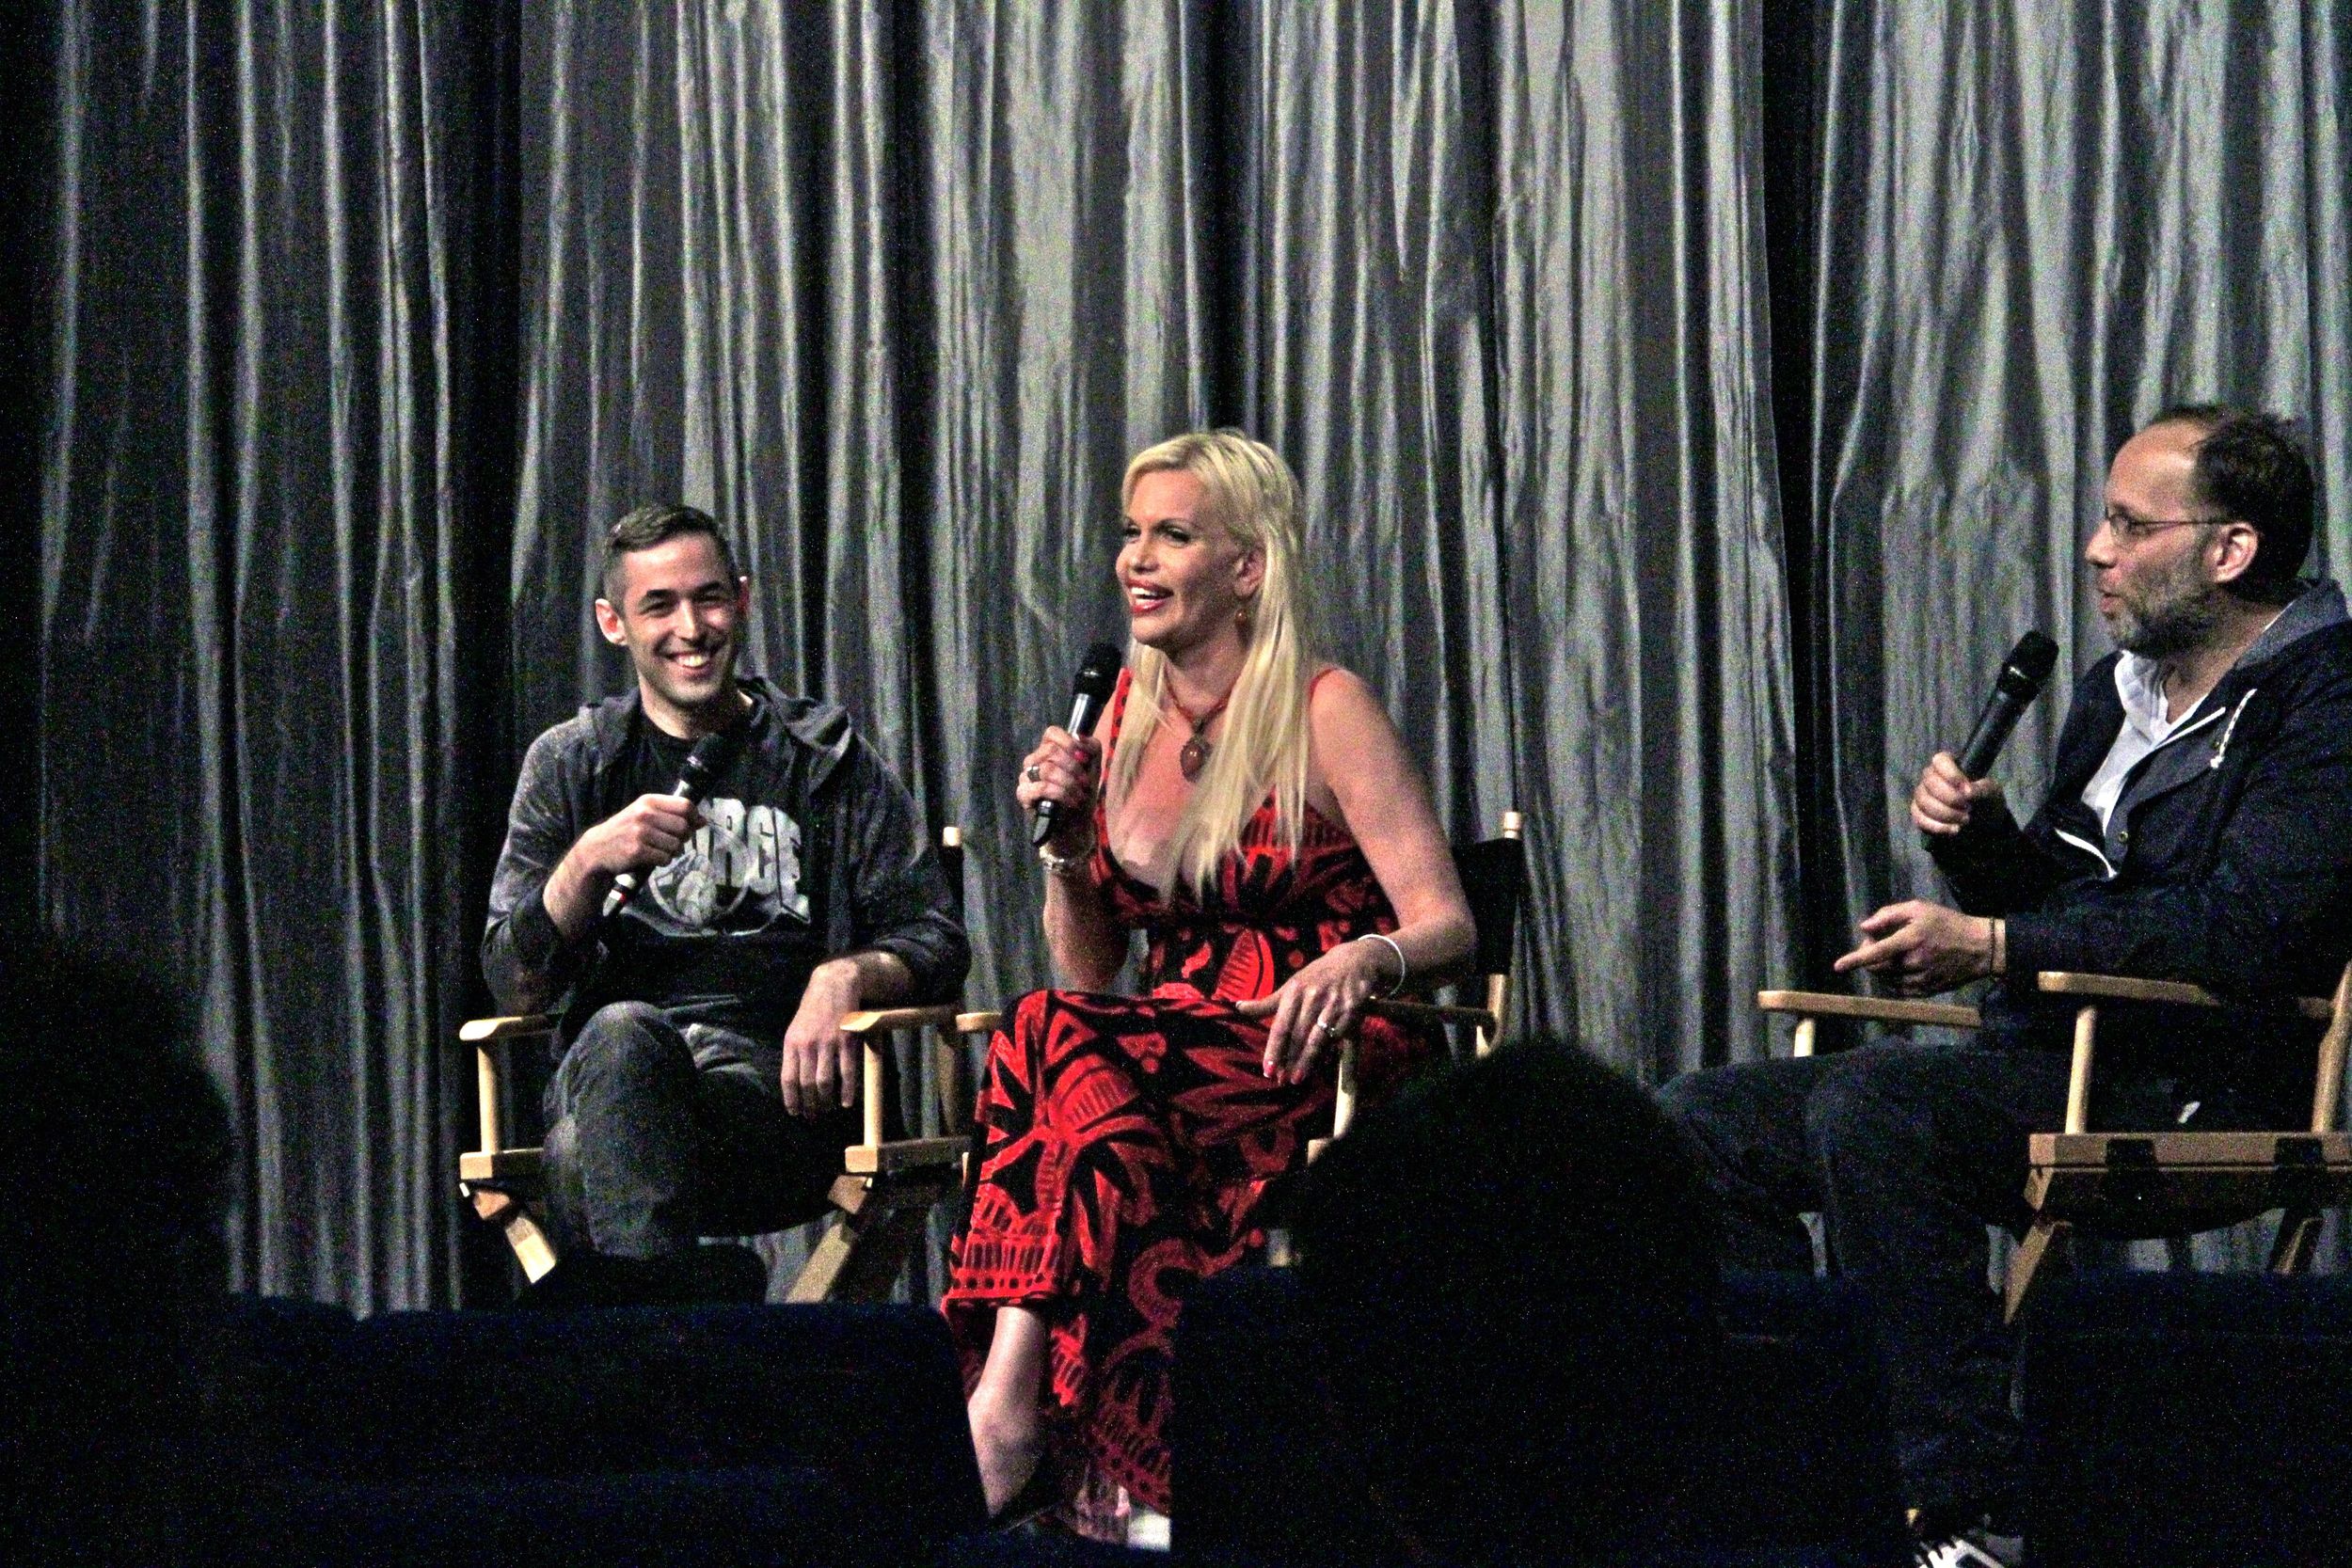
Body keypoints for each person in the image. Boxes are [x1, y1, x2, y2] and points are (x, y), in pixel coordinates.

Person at [1660, 405, 2352, 1563]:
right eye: (2103, 519)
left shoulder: (2325, 702)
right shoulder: (2112, 691)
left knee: (1874, 1106)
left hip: (2202, 1080)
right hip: (2055, 1060)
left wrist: (1990, 943)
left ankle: (1968, 1507)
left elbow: (2243, 932)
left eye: (2130, 524)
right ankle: (1811, 1463)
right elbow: (2065, 905)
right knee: (1699, 1123)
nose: (2095, 547)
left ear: (2229, 550)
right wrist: (1984, 851)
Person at [946, 431, 1476, 1530]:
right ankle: (1142, 1453)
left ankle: (1023, 1420)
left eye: (1172, 534)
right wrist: (1062, 843)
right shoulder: (1117, 719)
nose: (1137, 558)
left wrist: (1359, 955)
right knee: (1072, 1068)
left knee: (1062, 1053)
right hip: (1164, 1046)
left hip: (1316, 1037)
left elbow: (1445, 922)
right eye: (1131, 533)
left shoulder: (1325, 706)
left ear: (1245, 567)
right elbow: (1090, 969)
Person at [483, 503, 968, 1303]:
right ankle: (694, 1348)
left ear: (742, 599)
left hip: (779, 1102)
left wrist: (844, 977)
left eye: (709, 598)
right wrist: (587, 860)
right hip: (615, 1077)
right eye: (659, 605)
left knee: (577, 1156)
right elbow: (515, 980)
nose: (691, 627)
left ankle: (665, 1366)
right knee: (622, 1039)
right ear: (613, 622)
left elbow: (937, 935)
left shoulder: (824, 758)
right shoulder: (572, 764)